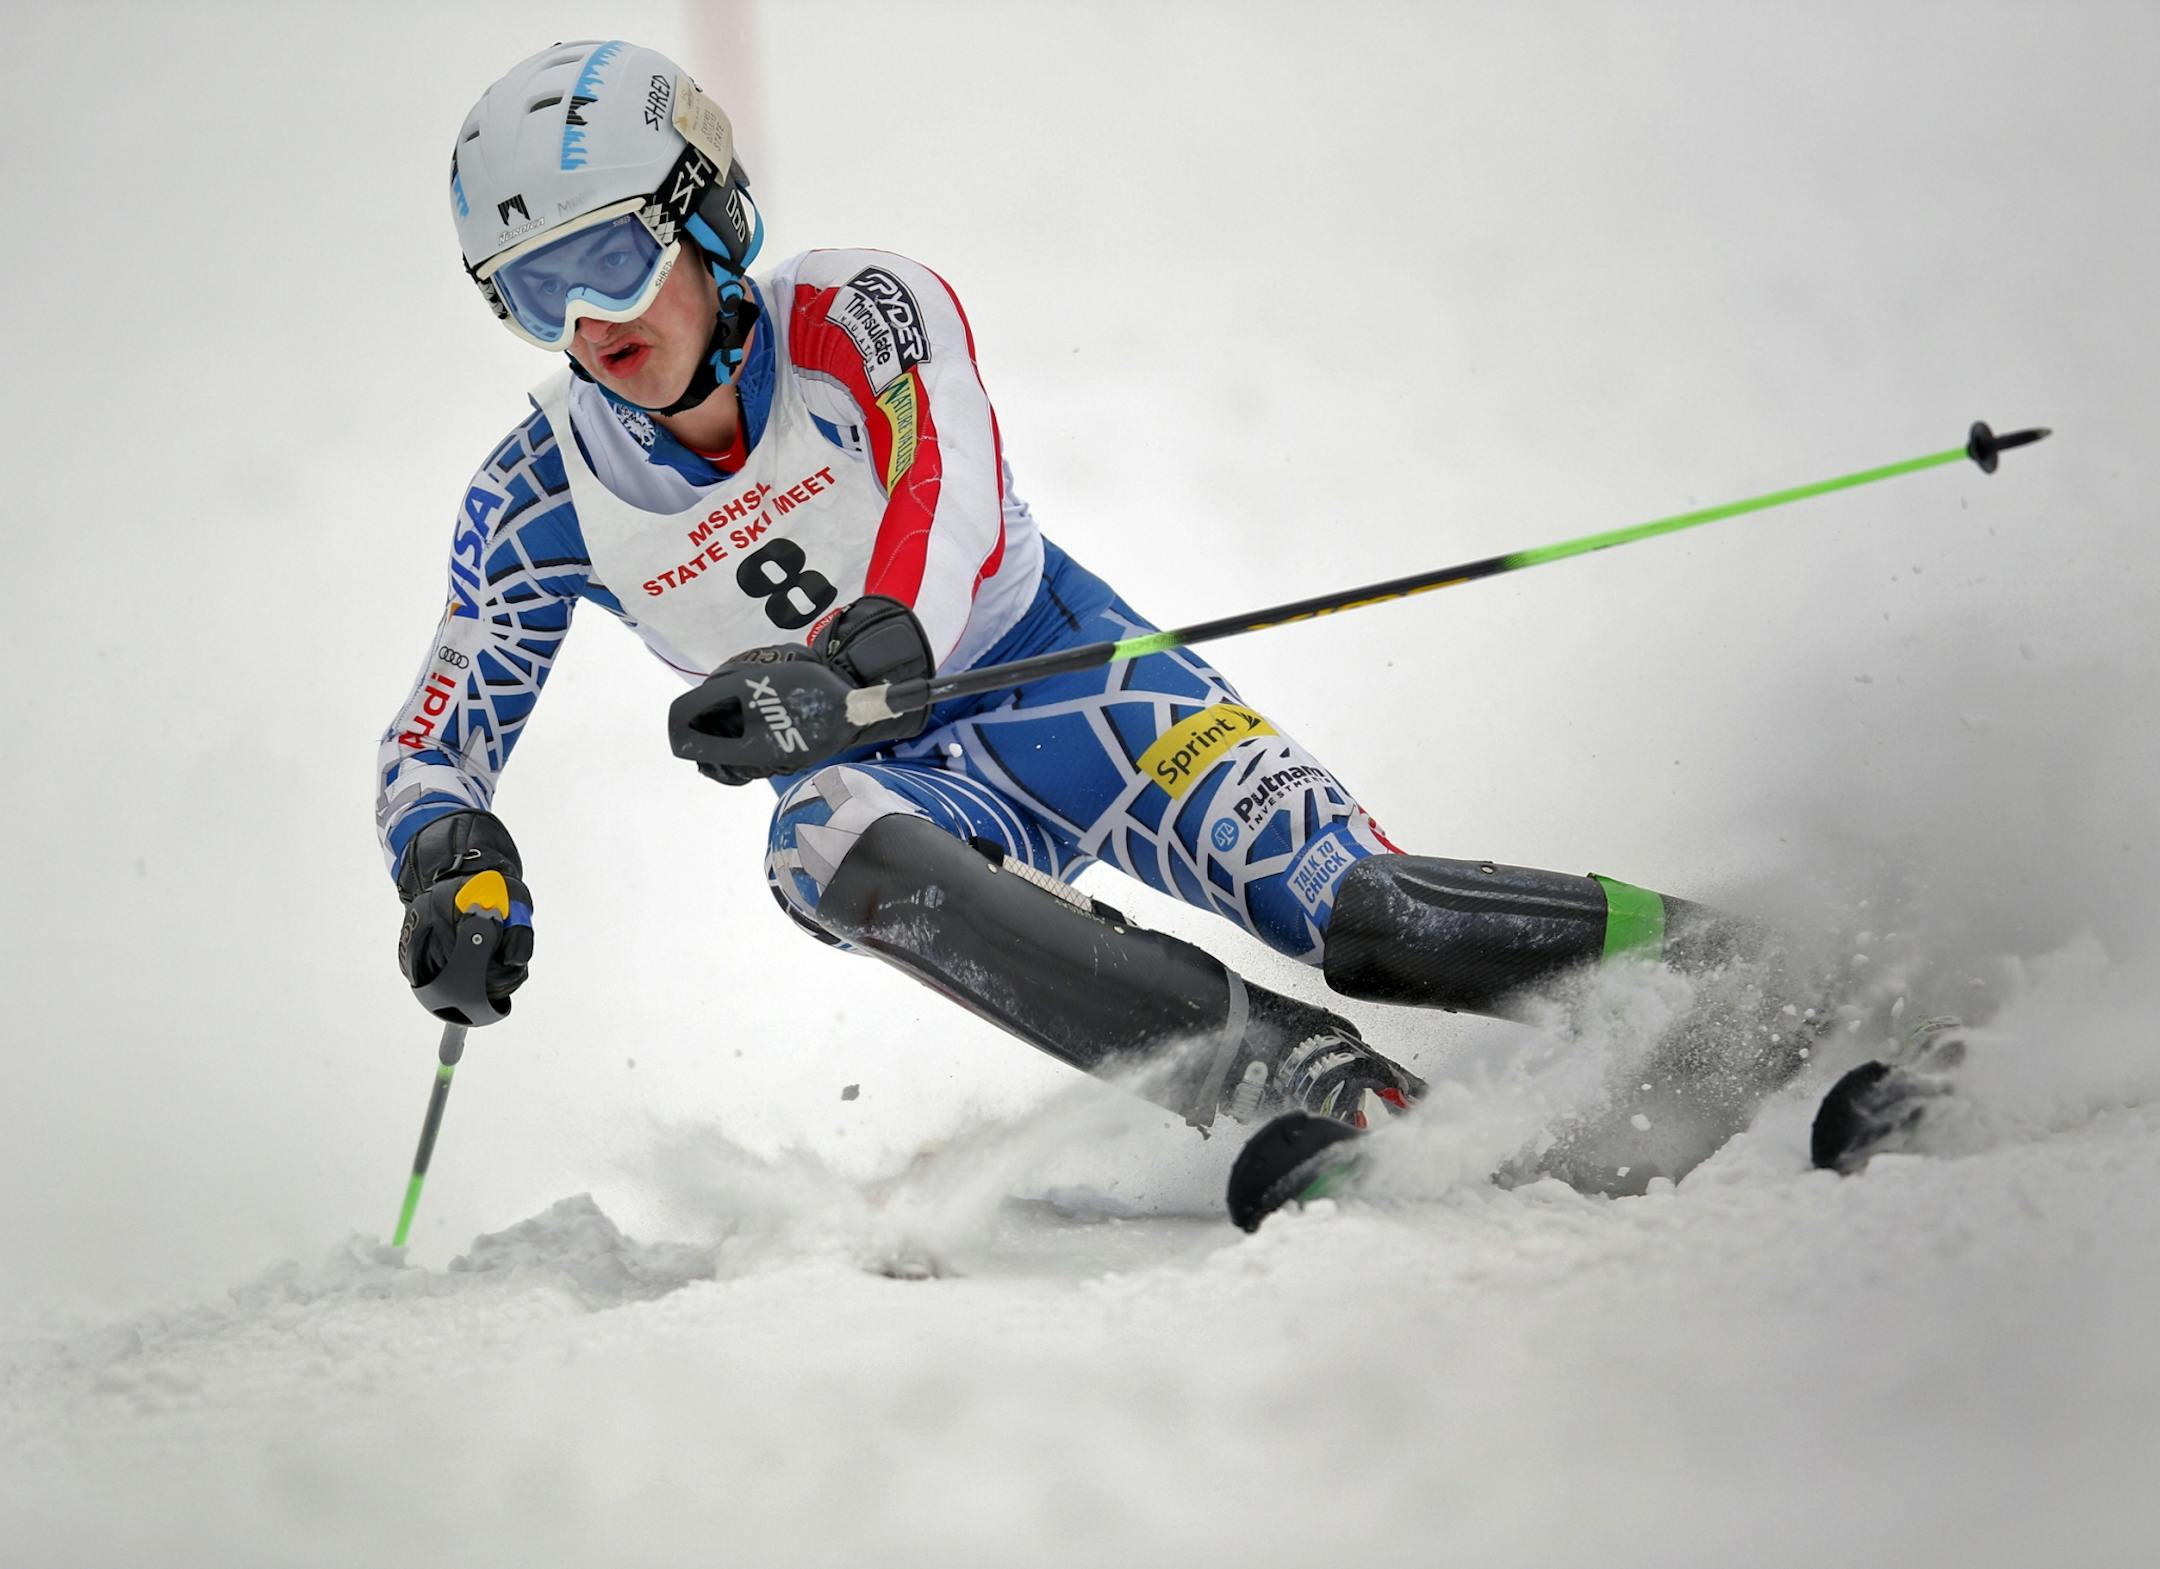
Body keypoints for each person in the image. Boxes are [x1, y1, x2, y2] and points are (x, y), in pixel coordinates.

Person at [381, 40, 1796, 1175]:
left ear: (707, 217)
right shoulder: (536, 494)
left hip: (1071, 685)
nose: (588, 327)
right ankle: (1287, 1074)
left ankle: (1751, 970)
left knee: (1374, 916)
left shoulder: (861, 310)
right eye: (531, 291)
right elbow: (437, 733)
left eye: (609, 264)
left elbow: (943, 506)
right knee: (814, 845)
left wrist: (851, 664)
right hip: (896, 786)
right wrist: (452, 861)